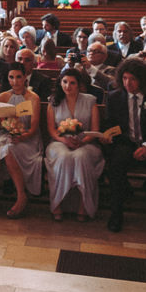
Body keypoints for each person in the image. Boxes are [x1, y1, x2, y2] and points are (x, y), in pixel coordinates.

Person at [104, 58, 146, 237]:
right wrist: (107, 137)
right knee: (115, 164)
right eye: (125, 78)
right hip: (126, 143)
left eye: (133, 79)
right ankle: (116, 215)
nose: (128, 83)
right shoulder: (114, 97)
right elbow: (111, 125)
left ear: (142, 80)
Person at [45, 66, 105, 221]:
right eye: (64, 82)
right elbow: (52, 130)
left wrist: (81, 141)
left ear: (79, 85)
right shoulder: (53, 101)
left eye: (72, 83)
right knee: (64, 157)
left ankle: (83, 205)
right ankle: (57, 203)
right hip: (59, 142)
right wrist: (64, 140)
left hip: (86, 143)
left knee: (80, 157)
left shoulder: (90, 101)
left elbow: (95, 129)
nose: (67, 86)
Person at [0, 64, 42, 218]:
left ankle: (21, 196)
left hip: (28, 139)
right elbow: (3, 123)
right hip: (7, 134)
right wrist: (11, 127)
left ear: (24, 78)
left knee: (8, 150)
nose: (15, 81)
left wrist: (22, 135)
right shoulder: (3, 97)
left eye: (18, 77)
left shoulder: (33, 98)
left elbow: (34, 127)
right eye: (11, 77)